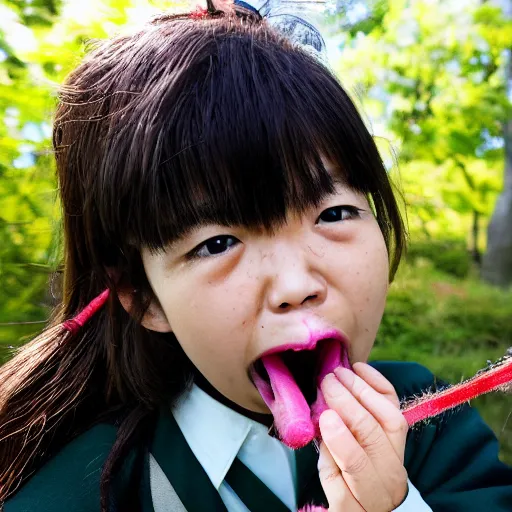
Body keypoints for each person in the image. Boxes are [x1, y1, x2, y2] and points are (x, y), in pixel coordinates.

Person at [0, 2, 511, 511]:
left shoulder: (430, 427)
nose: (296, 285)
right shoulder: (81, 493)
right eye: (218, 243)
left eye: (333, 213)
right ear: (143, 296)